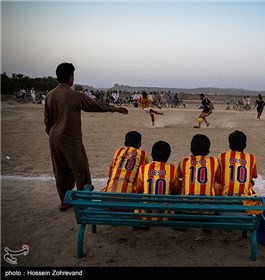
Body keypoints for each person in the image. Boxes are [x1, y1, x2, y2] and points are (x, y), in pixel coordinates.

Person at [44, 62, 128, 211]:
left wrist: (52, 133)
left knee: (60, 170)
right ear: (71, 77)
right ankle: (84, 201)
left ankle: (65, 201)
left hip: (54, 138)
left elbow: (47, 120)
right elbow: (96, 105)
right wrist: (116, 109)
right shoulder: (74, 95)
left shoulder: (50, 95)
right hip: (69, 138)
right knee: (81, 169)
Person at [135, 141, 181, 221]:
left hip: (144, 214)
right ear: (168, 156)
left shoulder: (143, 168)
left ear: (152, 154)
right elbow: (176, 189)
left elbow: (139, 188)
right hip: (165, 215)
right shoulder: (172, 169)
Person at [217, 130, 258, 197]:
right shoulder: (251, 158)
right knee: (250, 184)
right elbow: (253, 175)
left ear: (230, 146)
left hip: (225, 198)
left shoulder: (222, 156)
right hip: (245, 201)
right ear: (245, 146)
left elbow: (218, 176)